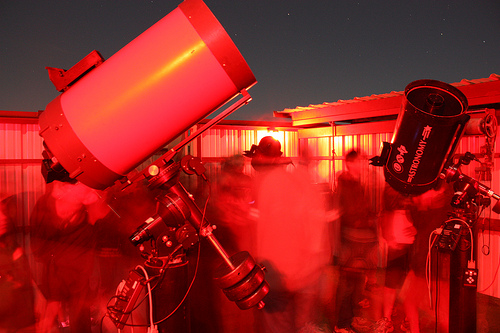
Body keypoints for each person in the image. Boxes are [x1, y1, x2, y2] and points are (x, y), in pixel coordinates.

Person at [245, 136, 331, 333]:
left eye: (259, 155)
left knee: (278, 323)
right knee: (288, 322)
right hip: (287, 272)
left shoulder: (272, 184)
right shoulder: (287, 182)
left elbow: (274, 229)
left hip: (277, 272)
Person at [30, 180, 109, 333]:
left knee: (79, 319)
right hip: (53, 273)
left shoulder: (86, 219)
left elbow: (85, 258)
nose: (92, 194)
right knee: (48, 320)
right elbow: (38, 247)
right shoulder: (44, 206)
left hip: (77, 279)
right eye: (84, 188)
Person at [331, 150, 378, 333]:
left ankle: (352, 318)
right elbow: (351, 214)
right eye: (359, 161)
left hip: (359, 242)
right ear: (349, 164)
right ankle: (341, 324)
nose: (362, 165)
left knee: (356, 283)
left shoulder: (357, 183)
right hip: (350, 242)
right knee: (347, 284)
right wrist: (368, 220)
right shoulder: (346, 184)